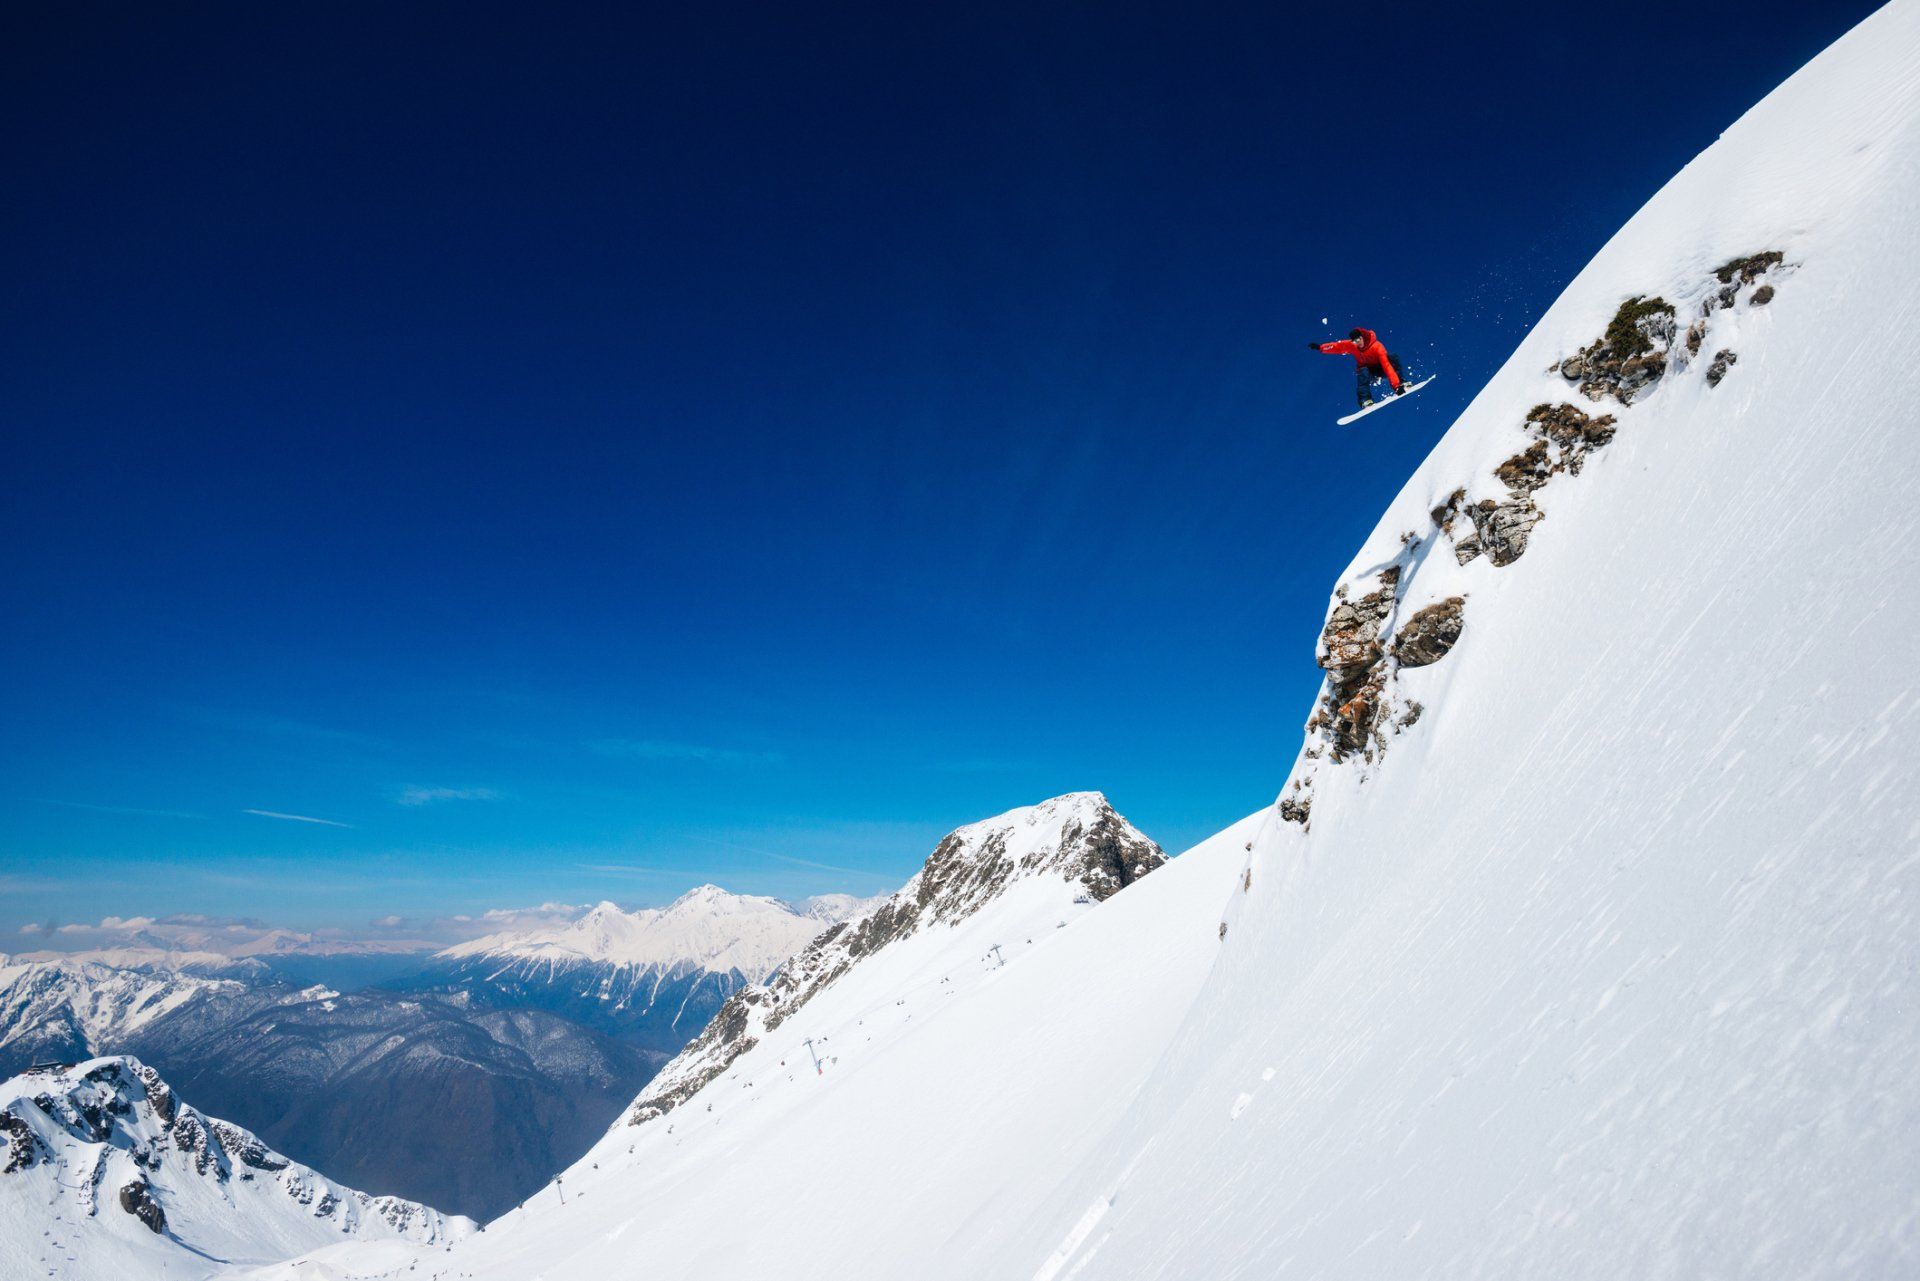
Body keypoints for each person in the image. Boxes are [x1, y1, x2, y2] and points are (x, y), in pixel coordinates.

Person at [1310, 327, 1410, 409]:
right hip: (1368, 374)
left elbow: (1386, 366)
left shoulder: (1377, 346)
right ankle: (1366, 400)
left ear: (1363, 337)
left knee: (1392, 357)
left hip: (1381, 369)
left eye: (1358, 340)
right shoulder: (1352, 346)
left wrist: (1396, 387)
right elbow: (1338, 347)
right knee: (1362, 370)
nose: (1357, 343)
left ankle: (1401, 382)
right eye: (1355, 341)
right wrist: (1321, 348)